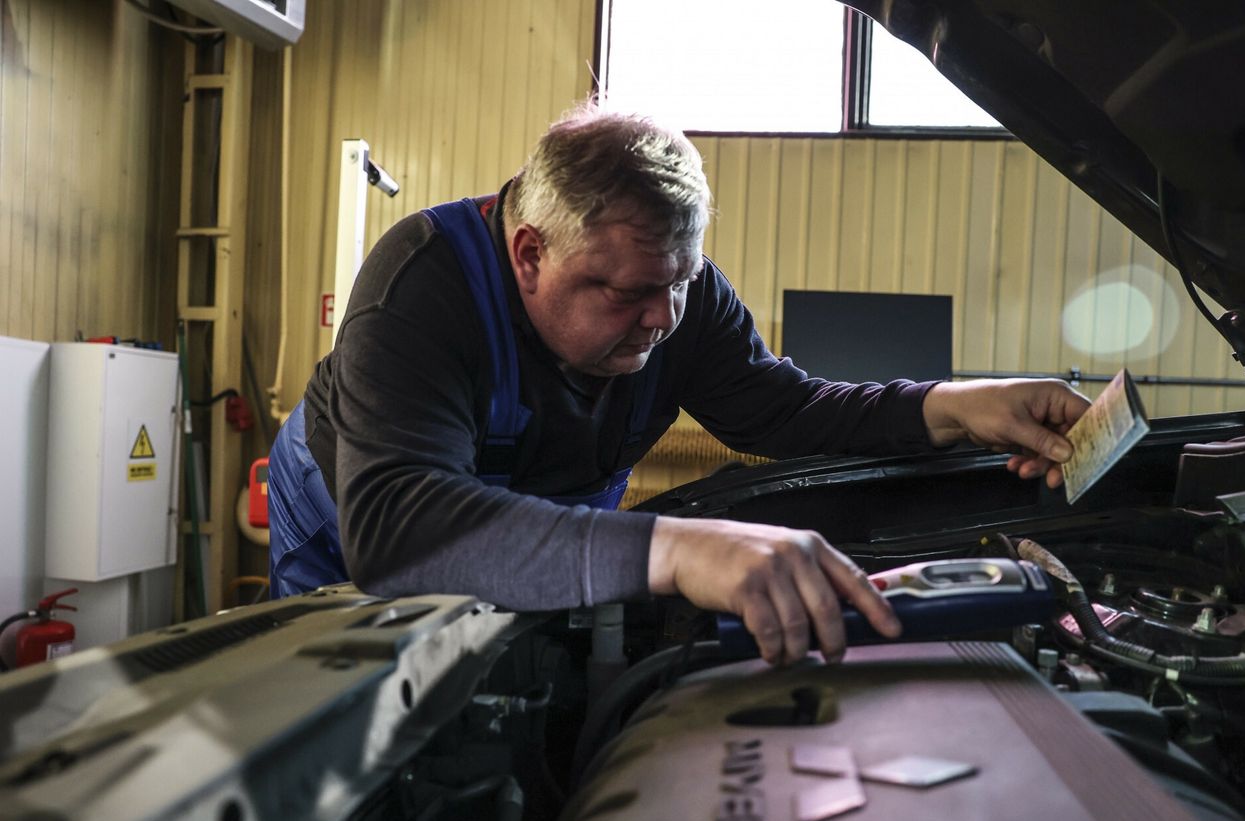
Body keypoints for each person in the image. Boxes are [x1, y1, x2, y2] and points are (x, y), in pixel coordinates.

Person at [269, 102, 1090, 666]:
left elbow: (785, 408)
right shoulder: (420, 286)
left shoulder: (672, 293)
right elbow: (399, 528)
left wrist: (953, 405)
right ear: (529, 254)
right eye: (625, 293)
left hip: (553, 531)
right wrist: (677, 546)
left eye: (682, 281)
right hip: (346, 537)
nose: (662, 319)